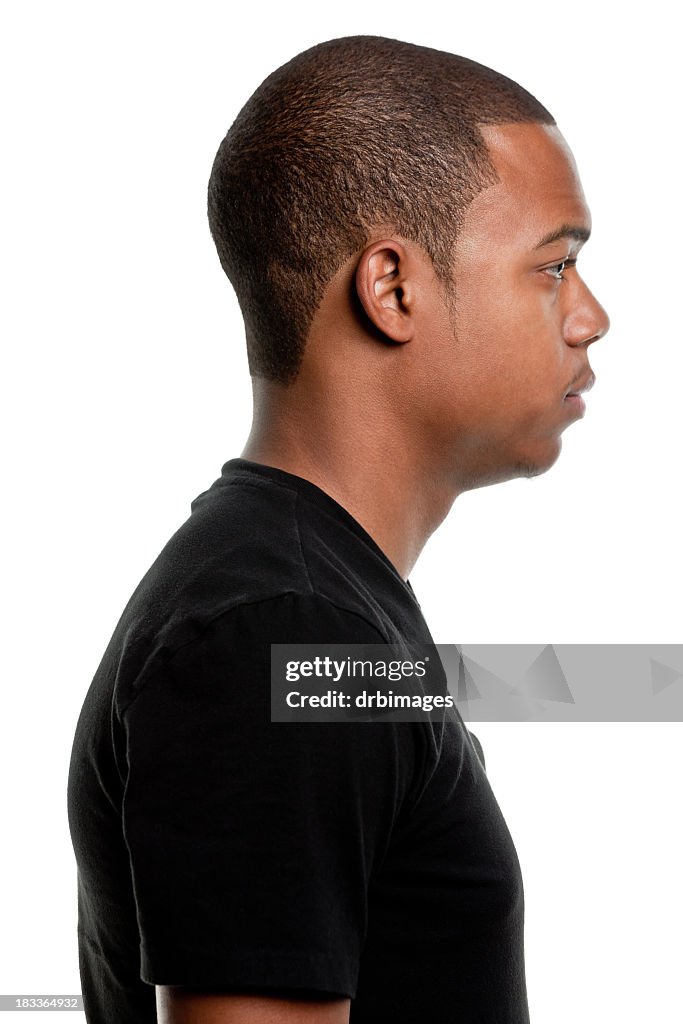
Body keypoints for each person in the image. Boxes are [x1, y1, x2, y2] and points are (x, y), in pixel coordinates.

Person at [67, 33, 609, 1024]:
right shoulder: (277, 629)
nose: (589, 317)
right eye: (552, 266)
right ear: (391, 287)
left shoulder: (310, 608)